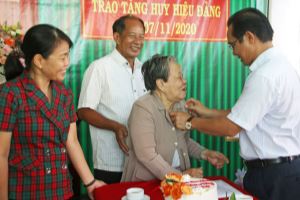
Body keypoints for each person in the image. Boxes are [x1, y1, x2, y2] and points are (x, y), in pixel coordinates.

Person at [170, 8, 300, 200]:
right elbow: (241, 114)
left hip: (273, 176)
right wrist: (206, 112)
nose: (234, 53)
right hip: (283, 171)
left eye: (233, 45)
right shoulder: (281, 66)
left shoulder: (264, 76)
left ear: (249, 37)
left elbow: (231, 127)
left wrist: (189, 122)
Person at [0, 24, 105, 200]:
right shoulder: (10, 94)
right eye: (62, 57)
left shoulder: (64, 93)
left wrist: (90, 183)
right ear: (39, 60)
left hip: (61, 189)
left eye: (68, 56)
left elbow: (71, 141)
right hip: (25, 192)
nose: (67, 63)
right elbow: (1, 154)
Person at [121, 54, 229, 182]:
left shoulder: (180, 105)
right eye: (179, 77)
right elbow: (147, 156)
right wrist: (180, 177)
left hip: (178, 183)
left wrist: (205, 153)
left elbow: (183, 141)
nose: (184, 81)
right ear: (161, 84)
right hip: (147, 185)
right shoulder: (143, 109)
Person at [77, 15, 147, 184]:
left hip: (142, 161)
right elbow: (84, 111)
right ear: (116, 37)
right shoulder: (100, 68)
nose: (138, 41)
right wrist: (114, 126)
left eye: (141, 36)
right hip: (111, 164)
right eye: (132, 35)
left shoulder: (143, 70)